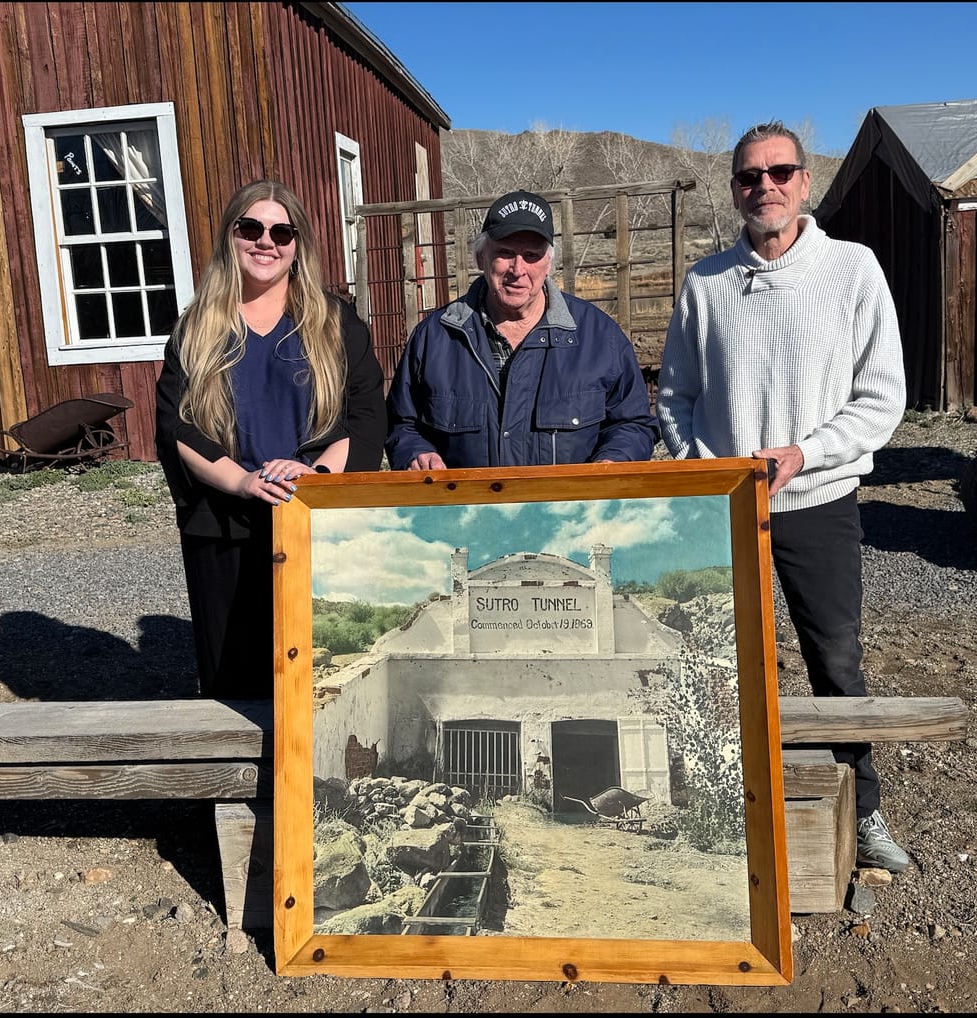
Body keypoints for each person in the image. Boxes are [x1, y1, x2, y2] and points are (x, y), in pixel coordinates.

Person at [656, 122, 910, 872]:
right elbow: (675, 396)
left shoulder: (853, 270)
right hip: (726, 508)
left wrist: (808, 453)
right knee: (725, 666)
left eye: (779, 172)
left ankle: (862, 810)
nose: (763, 186)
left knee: (835, 662)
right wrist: (707, 468)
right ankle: (729, 815)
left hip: (821, 502)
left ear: (805, 182)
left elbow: (880, 398)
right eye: (748, 176)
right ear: (733, 190)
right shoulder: (705, 284)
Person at [155, 180, 386, 699]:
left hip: (313, 521)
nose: (267, 241)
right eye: (251, 228)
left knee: (317, 676)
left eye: (282, 231)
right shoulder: (195, 329)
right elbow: (177, 426)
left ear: (298, 245)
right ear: (230, 238)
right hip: (226, 526)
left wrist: (319, 479)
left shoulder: (335, 322)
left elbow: (367, 416)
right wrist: (240, 481)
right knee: (234, 680)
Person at [385, 189, 659, 470]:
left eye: (531, 255)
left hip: (570, 509)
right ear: (481, 258)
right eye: (505, 253)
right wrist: (415, 452)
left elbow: (633, 423)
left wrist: (612, 460)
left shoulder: (599, 337)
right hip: (466, 509)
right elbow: (402, 423)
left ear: (548, 263)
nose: (518, 269)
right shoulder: (435, 337)